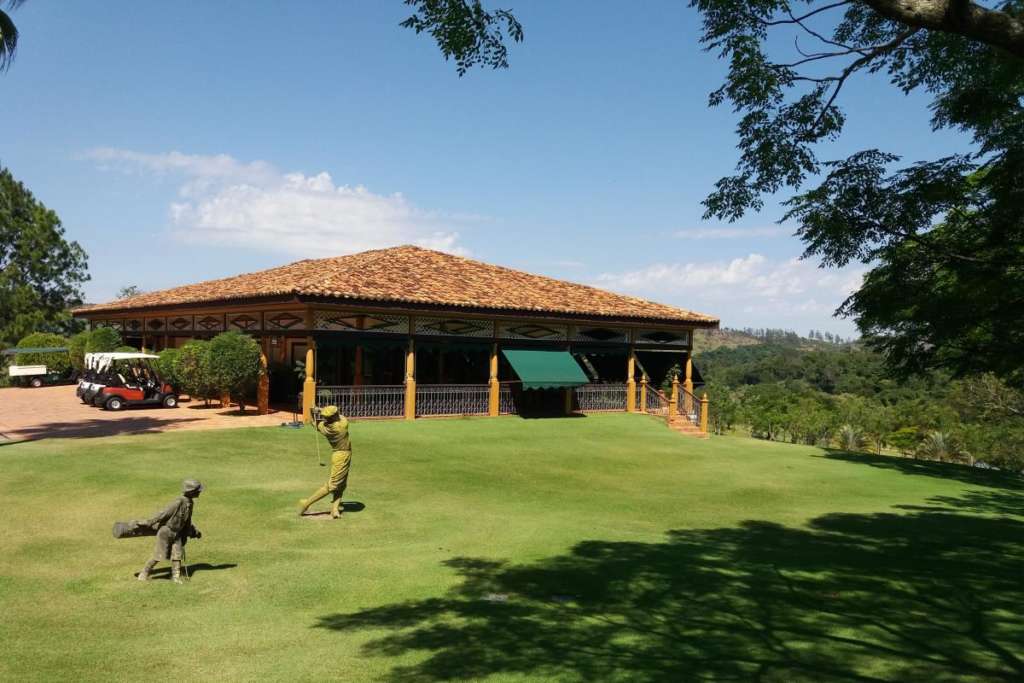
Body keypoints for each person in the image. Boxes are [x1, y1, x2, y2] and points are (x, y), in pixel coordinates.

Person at [137, 479, 203, 584]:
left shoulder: (190, 503)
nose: (199, 492)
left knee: (177, 555)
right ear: (191, 491)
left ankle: (175, 576)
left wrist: (194, 532)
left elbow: (187, 521)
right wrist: (149, 522)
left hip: (178, 534)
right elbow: (163, 514)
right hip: (166, 532)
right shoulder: (178, 502)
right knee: (159, 554)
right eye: (198, 490)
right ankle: (144, 573)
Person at [299, 405, 352, 519]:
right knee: (333, 485)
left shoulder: (326, 427)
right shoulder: (341, 425)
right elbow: (341, 416)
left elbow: (314, 423)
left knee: (341, 485)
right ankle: (307, 503)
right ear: (334, 417)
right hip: (342, 455)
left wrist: (313, 412)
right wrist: (320, 410)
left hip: (339, 454)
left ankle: (334, 509)